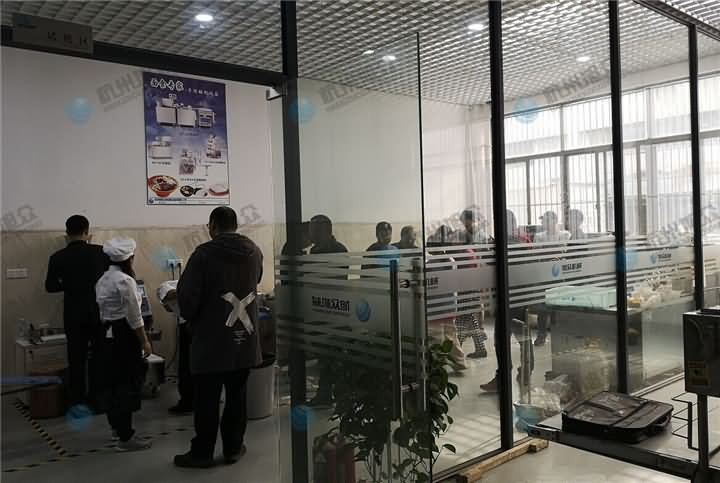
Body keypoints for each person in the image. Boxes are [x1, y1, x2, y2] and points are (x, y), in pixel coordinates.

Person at [174, 207, 263, 468]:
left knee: (206, 399)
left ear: (213, 225)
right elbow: (257, 279)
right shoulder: (254, 251)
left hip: (211, 340)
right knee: (237, 395)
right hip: (244, 338)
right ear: (235, 225)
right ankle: (233, 448)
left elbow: (188, 299)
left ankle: (202, 453)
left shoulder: (203, 254)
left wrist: (191, 318)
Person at [45, 215, 108, 409]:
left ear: (67, 233)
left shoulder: (57, 257)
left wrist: (69, 285)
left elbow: (50, 287)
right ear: (87, 232)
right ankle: (99, 400)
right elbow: (111, 279)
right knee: (99, 357)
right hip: (98, 313)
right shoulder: (101, 252)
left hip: (73, 314)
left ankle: (77, 401)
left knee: (76, 358)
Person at [95, 237, 153, 452]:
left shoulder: (103, 279)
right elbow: (134, 316)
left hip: (107, 335)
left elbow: (102, 313)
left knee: (112, 383)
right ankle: (126, 437)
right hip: (125, 336)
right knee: (127, 385)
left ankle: (116, 429)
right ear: (130, 258)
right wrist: (144, 341)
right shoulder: (125, 281)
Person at [456, 207, 491, 359]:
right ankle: (478, 347)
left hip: (473, 281)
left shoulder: (480, 236)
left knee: (467, 316)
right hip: (471, 282)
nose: (464, 224)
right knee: (470, 316)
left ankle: (457, 349)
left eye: (465, 221)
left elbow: (485, 258)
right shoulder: (466, 242)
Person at [533, 211, 569, 346]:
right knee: (542, 307)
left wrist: (551, 253)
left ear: (555, 221)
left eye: (546, 220)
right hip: (544, 274)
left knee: (558, 306)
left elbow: (564, 252)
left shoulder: (564, 235)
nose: (544, 223)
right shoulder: (539, 236)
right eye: (543, 221)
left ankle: (558, 335)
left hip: (559, 274)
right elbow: (537, 254)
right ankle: (541, 335)